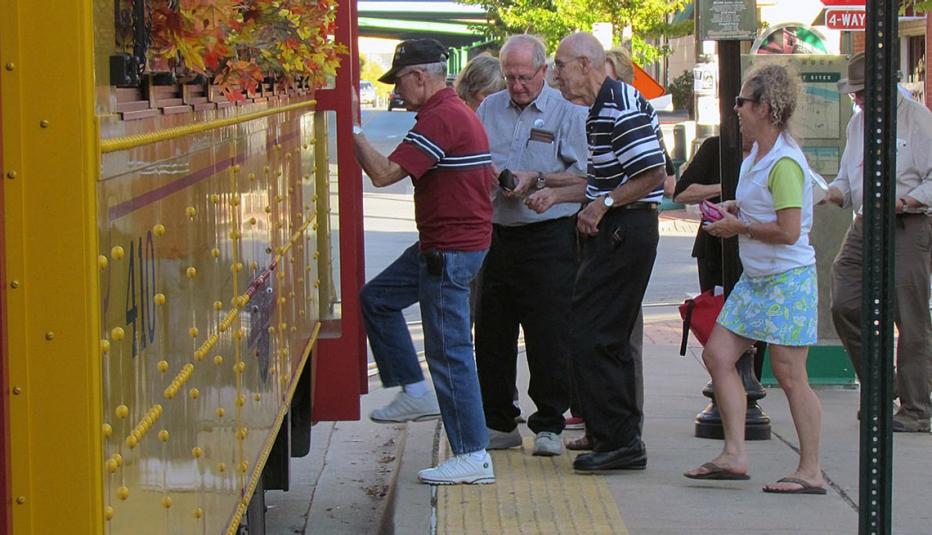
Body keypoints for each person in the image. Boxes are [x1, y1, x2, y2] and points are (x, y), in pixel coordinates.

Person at [352, 38, 496, 485]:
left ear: (419, 76)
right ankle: (414, 391)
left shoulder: (441, 119)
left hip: (448, 251)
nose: (397, 91)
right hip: (444, 244)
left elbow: (382, 174)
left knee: (451, 353)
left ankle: (473, 455)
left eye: (399, 82)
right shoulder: (450, 114)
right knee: (377, 298)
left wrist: (352, 130)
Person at [684, 63, 826, 495]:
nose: (736, 110)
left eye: (742, 102)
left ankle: (810, 471)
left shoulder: (784, 162)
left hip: (787, 280)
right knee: (718, 356)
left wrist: (738, 228)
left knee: (789, 375)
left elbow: (787, 230)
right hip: (759, 278)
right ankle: (734, 455)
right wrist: (733, 210)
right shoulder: (755, 156)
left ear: (765, 108)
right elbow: (760, 211)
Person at [548, 32, 667, 472]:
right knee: (599, 333)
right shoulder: (602, 108)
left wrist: (604, 205)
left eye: (559, 65)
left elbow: (652, 173)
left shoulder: (619, 106)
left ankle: (621, 442)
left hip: (627, 228)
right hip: (619, 227)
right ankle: (609, 431)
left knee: (595, 333)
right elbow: (600, 181)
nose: (555, 74)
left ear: (584, 63)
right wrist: (549, 187)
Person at [473, 34, 588, 457]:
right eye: (510, 77)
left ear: (543, 71)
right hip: (498, 233)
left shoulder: (567, 113)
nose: (516, 85)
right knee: (491, 332)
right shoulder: (490, 108)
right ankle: (499, 421)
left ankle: (549, 424)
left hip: (547, 237)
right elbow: (476, 157)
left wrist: (539, 183)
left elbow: (586, 179)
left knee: (548, 334)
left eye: (524, 77)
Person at [825, 52, 932, 433]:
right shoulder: (858, 125)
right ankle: (881, 382)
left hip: (907, 223)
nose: (858, 100)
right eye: (855, 94)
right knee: (845, 300)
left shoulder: (917, 119)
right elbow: (846, 178)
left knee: (911, 316)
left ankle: (917, 407)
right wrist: (832, 193)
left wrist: (908, 200)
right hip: (865, 222)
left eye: (864, 93)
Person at [673, 136, 724, 292]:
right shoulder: (714, 147)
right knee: (714, 308)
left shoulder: (771, 151)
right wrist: (726, 186)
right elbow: (681, 194)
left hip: (757, 248)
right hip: (714, 248)